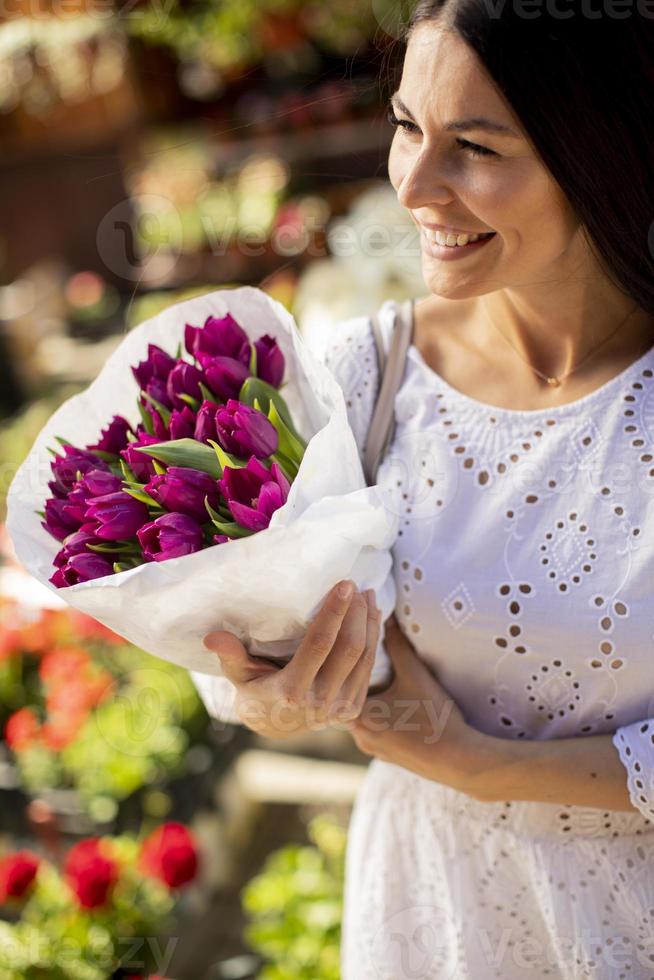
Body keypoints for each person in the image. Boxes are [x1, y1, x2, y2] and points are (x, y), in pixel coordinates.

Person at [202, 1, 654, 976]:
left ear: (604, 150)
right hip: (435, 924)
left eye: (476, 146)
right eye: (408, 126)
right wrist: (271, 686)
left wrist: (483, 763)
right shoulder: (361, 377)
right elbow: (245, 682)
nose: (413, 182)